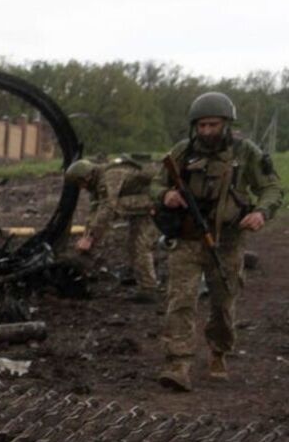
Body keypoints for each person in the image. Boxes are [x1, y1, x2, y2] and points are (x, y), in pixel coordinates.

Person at [153, 92, 282, 390]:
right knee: (180, 299)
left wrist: (261, 212)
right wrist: (165, 195)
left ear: (226, 124)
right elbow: (156, 183)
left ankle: (219, 350)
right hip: (187, 238)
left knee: (223, 302)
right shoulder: (183, 152)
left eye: (212, 125)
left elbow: (272, 187)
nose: (207, 131)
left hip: (227, 240)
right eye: (201, 126)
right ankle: (178, 363)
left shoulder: (246, 153)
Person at [67, 156, 161, 297]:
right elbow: (94, 212)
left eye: (80, 183)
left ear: (87, 176)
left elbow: (107, 208)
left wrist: (91, 238)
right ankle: (146, 286)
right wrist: (86, 236)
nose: (81, 187)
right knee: (134, 245)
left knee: (139, 244)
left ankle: (149, 290)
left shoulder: (110, 175)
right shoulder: (96, 184)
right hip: (141, 206)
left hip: (154, 202)